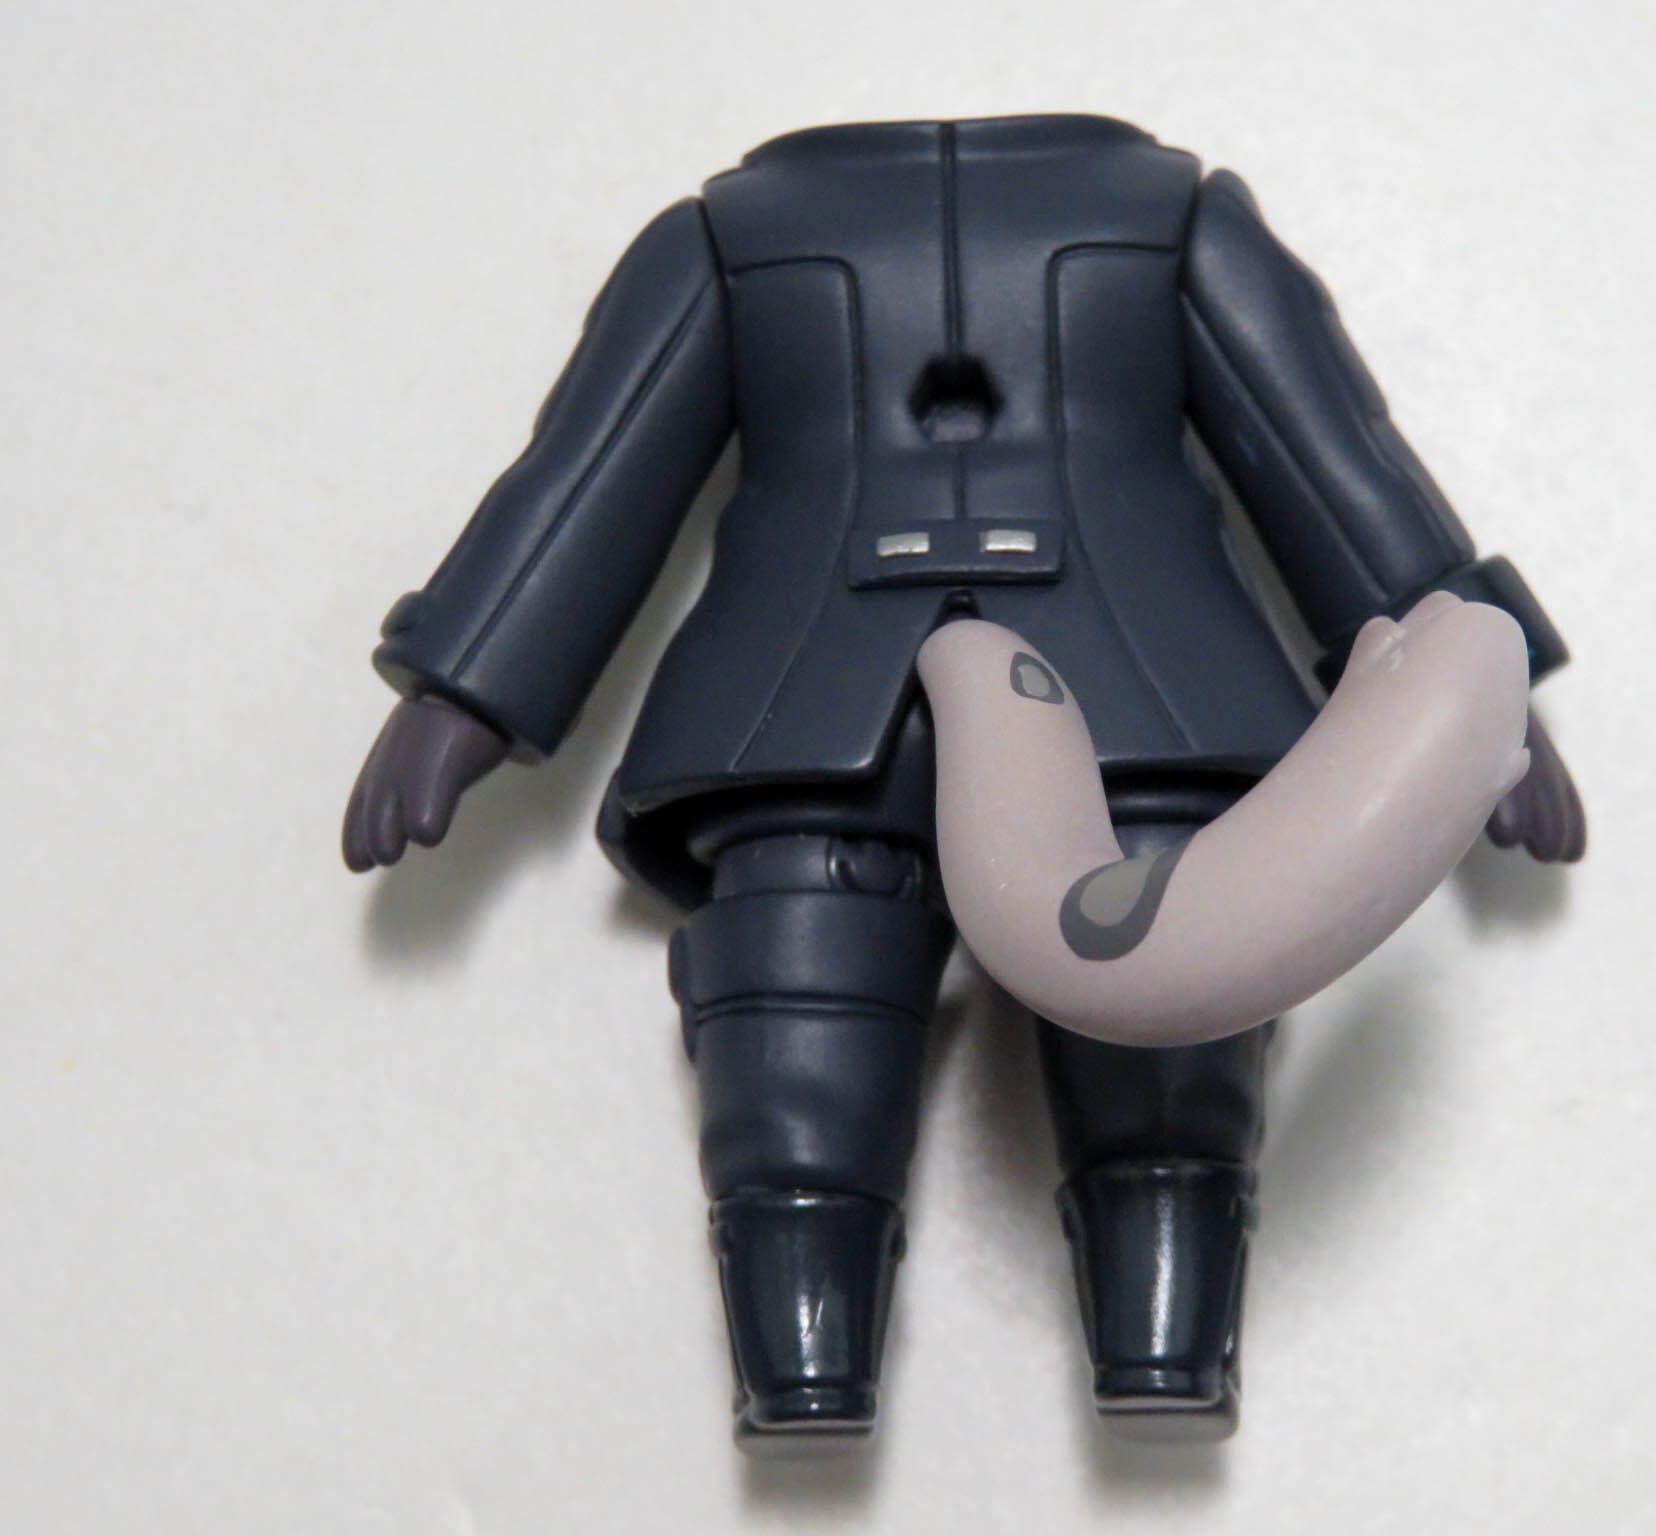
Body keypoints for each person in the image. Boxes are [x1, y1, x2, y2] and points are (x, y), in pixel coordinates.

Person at [342, 114, 1585, 1451]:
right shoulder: (730, 242)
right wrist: (469, 684)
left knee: (1169, 1035)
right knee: (795, 1022)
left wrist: (1466, 685)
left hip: (1120, 701)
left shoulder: (1171, 221)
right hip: (836, 707)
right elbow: (604, 469)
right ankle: (803, 1372)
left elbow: (1319, 453)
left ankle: (1164, 1352)